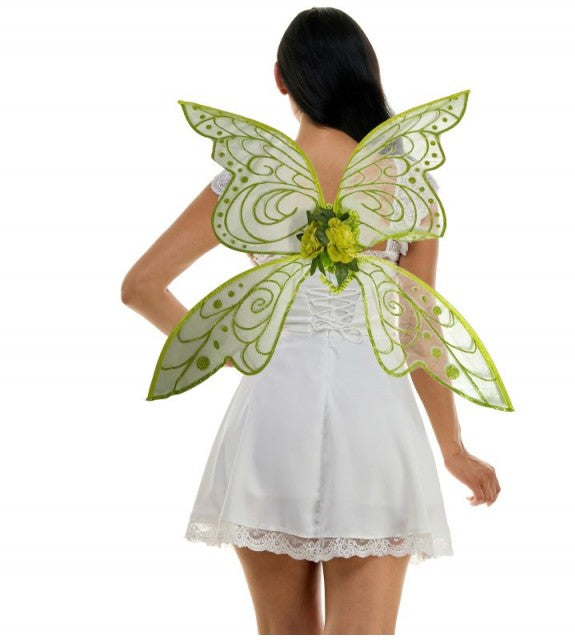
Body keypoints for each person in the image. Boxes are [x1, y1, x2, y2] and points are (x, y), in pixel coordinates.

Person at [121, 7, 501, 635]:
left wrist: (229, 350)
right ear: (367, 76)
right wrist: (454, 451)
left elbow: (141, 287)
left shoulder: (248, 179)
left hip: (272, 419)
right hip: (375, 428)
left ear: (280, 77)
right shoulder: (408, 185)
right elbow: (418, 330)